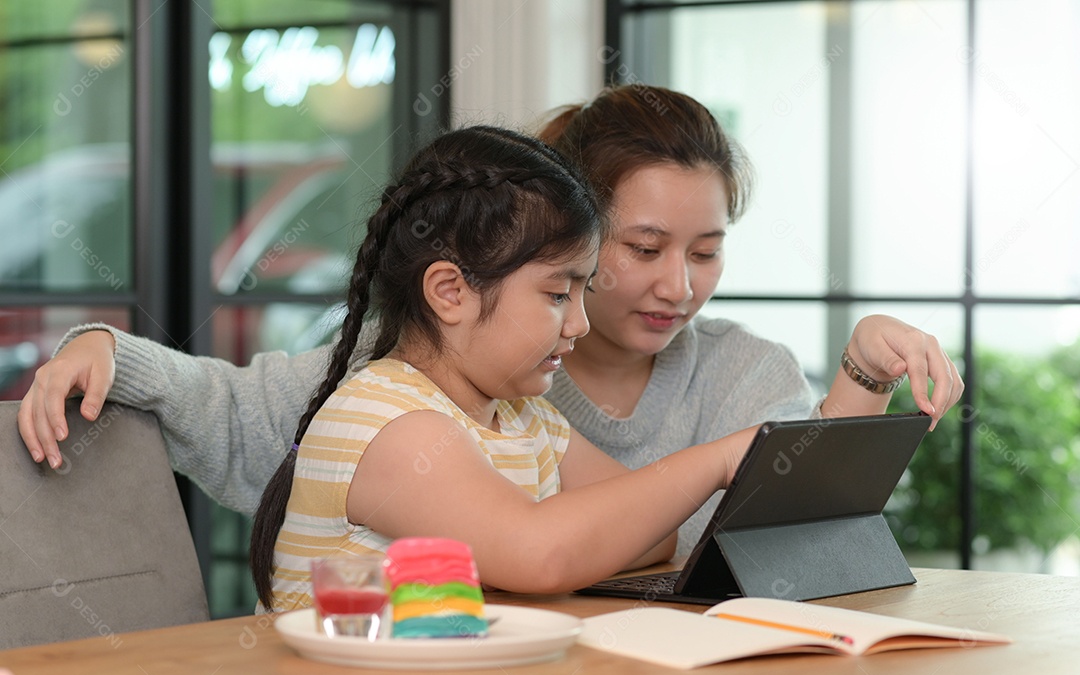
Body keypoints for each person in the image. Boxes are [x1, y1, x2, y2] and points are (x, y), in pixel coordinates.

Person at [18, 85, 963, 556]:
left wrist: (856, 390)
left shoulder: (532, 414)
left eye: (707, 252)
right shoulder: (397, 405)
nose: (678, 284)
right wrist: (109, 347)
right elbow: (232, 409)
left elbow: (739, 551)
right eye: (635, 252)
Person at [251, 124, 758, 610]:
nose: (579, 323)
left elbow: (653, 535)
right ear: (451, 292)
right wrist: (718, 461)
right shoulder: (386, 424)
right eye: (558, 294)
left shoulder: (524, 419)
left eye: (585, 292)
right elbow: (541, 554)